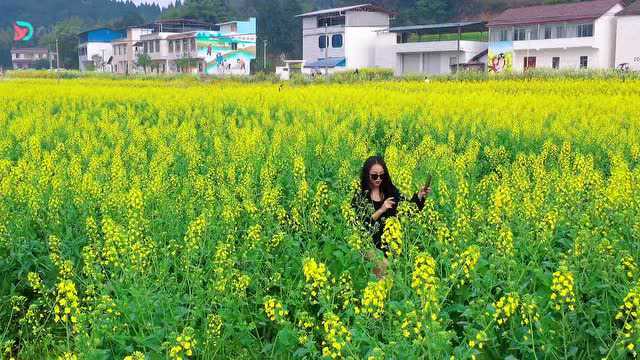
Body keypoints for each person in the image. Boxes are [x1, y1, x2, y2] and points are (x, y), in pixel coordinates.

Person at [351, 155, 432, 278]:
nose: (378, 179)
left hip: (389, 243)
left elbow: (408, 210)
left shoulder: (390, 191)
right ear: (367, 175)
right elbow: (359, 224)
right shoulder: (360, 196)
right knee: (383, 264)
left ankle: (384, 292)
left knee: (390, 271)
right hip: (367, 243)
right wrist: (382, 209)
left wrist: (420, 196)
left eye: (381, 175)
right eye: (374, 176)